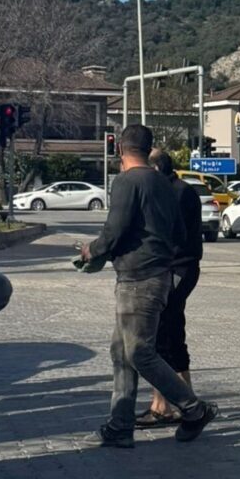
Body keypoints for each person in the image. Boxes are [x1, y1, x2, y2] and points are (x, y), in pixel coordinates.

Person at [81, 125, 218, 447]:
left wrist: (93, 250)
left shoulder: (127, 182)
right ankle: (120, 426)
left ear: (119, 150)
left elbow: (114, 231)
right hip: (159, 274)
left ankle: (193, 409)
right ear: (149, 148)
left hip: (137, 279)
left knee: (140, 352)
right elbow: (181, 233)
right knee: (121, 353)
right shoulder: (163, 182)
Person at [136, 149, 203, 427]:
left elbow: (165, 233)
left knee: (160, 332)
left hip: (176, 268)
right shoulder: (180, 189)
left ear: (154, 169)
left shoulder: (175, 192)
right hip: (179, 268)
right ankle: (186, 400)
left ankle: (164, 405)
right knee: (173, 330)